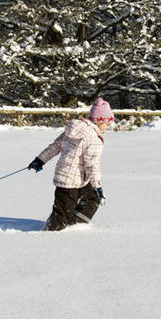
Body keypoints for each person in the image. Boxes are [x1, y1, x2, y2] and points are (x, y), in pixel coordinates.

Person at [28, 98, 114, 231]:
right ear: (100, 120)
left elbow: (55, 146)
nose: (108, 126)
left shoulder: (74, 130)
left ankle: (74, 227)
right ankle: (51, 232)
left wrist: (40, 159)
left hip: (74, 179)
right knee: (63, 213)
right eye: (107, 123)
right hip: (69, 183)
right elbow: (92, 165)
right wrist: (97, 186)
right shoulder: (93, 138)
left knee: (92, 199)